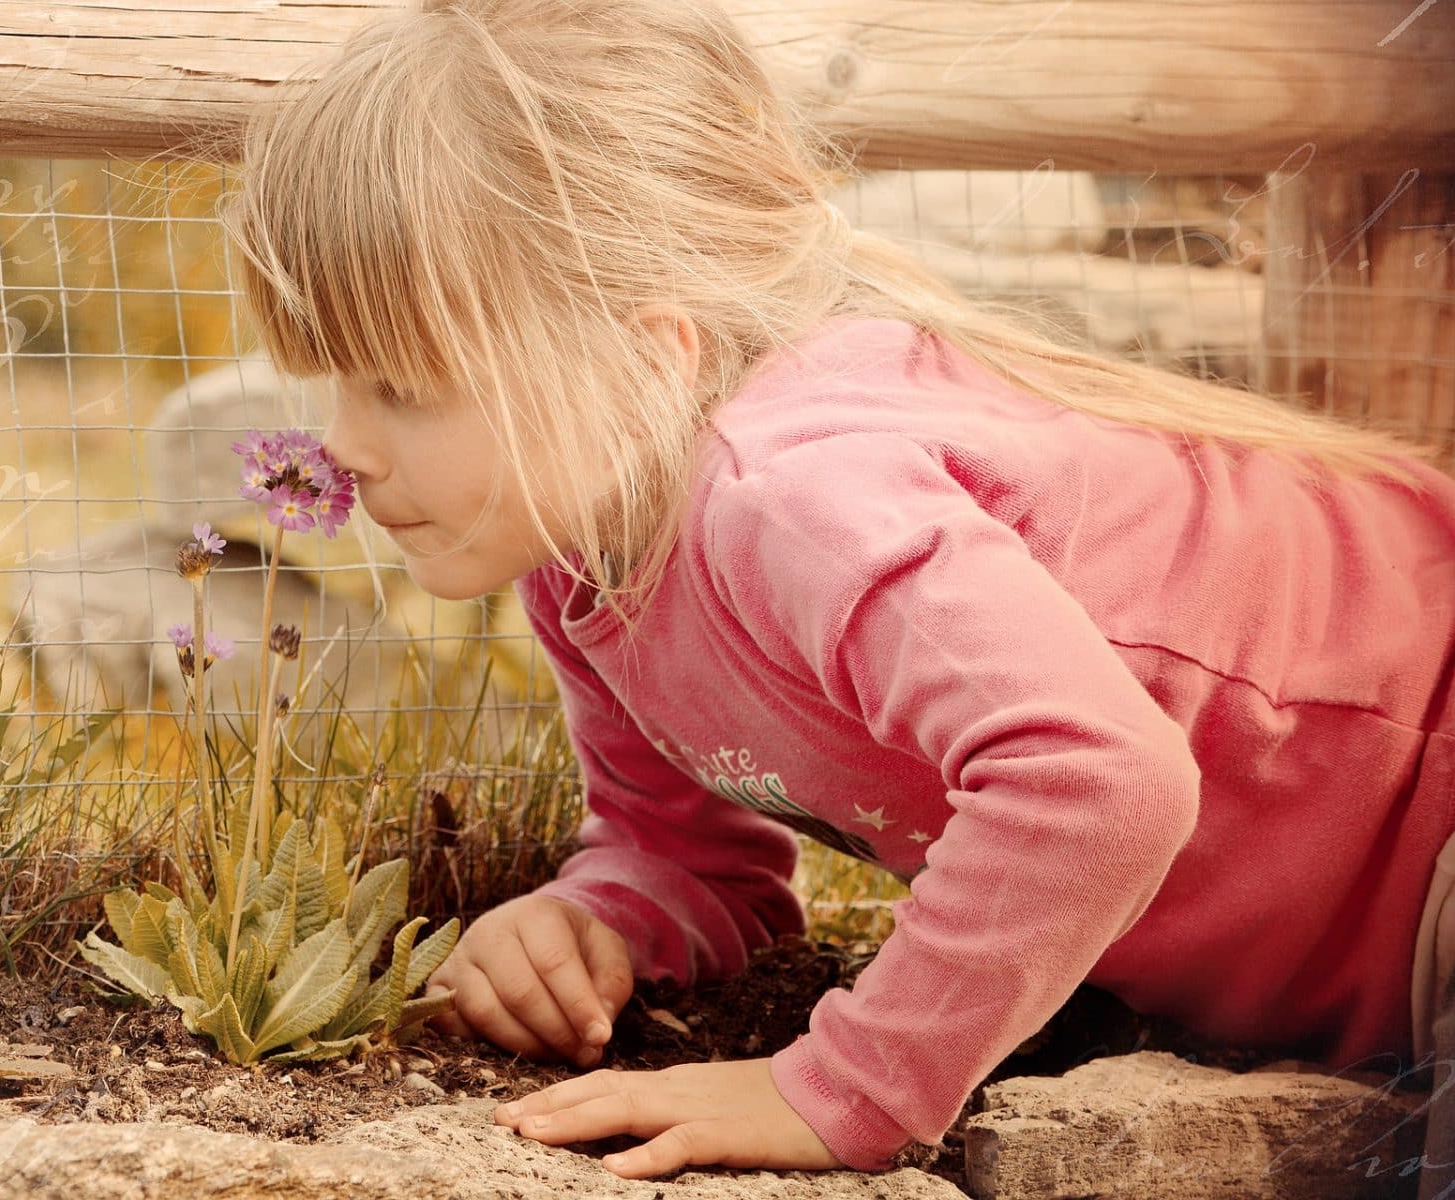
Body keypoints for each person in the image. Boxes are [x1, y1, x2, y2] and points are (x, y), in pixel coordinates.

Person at [218, 0, 1455, 1191]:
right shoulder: (584, 567)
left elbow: (1098, 780)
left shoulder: (796, 496)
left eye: (404, 387)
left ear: (652, 352)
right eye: (334, 384)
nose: (345, 448)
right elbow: (697, 860)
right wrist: (600, 916)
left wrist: (843, 1084)